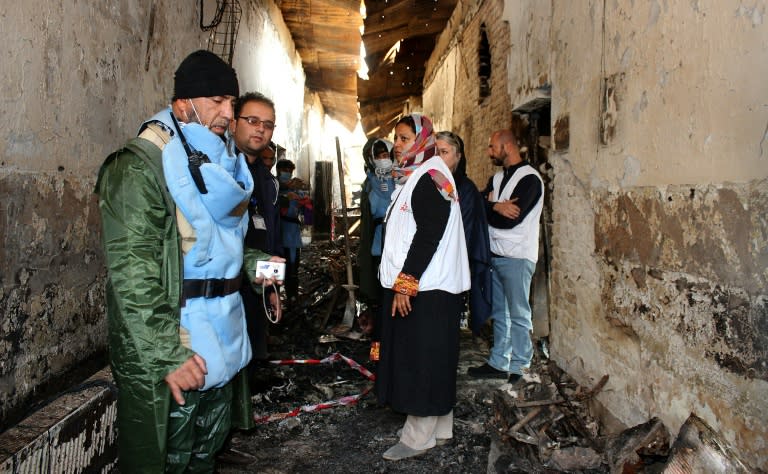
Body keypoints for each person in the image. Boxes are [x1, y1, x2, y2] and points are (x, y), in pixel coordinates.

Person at [96, 50, 282, 472]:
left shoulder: (221, 165)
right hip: (176, 347)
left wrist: (260, 270)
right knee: (168, 461)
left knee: (205, 454)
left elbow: (219, 246)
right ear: (183, 105)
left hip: (222, 341)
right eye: (217, 101)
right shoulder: (140, 168)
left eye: (231, 104)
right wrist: (167, 356)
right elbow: (134, 276)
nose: (227, 114)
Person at [376, 114, 470, 461]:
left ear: (422, 139)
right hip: (433, 287)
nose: (397, 145)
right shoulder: (422, 174)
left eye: (403, 138)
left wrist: (406, 282)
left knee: (420, 361)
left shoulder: (429, 177)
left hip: (427, 288)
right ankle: (441, 426)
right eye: (396, 138)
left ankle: (417, 437)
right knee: (435, 357)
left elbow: (429, 232)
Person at [467, 129, 544, 384]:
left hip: (518, 256)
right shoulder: (498, 178)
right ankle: (500, 362)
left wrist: (491, 209)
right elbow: (479, 205)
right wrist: (495, 206)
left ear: (507, 146)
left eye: (492, 147)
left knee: (519, 313)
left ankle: (521, 367)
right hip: (495, 254)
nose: (489, 152)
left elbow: (512, 220)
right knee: (500, 312)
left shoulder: (530, 179)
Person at [232, 92, 283, 363]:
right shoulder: (222, 172)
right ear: (233, 123)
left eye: (268, 124)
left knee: (253, 355)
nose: (260, 128)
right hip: (227, 289)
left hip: (259, 285)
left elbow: (272, 237)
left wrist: (272, 290)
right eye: (252, 120)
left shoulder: (267, 181)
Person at [434, 131, 492, 334]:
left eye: (444, 152)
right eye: (435, 152)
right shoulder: (431, 183)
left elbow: (465, 233)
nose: (438, 158)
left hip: (451, 264)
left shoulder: (466, 190)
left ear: (458, 156)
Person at [357, 138, 395, 363]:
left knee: (394, 301)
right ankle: (378, 352)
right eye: (379, 155)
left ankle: (393, 349)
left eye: (386, 154)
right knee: (379, 302)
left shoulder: (401, 178)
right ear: (370, 158)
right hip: (379, 249)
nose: (384, 159)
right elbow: (376, 211)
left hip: (397, 250)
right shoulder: (371, 182)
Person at [275, 158, 313, 301]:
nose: (288, 174)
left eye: (290, 171)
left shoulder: (295, 190)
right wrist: (286, 194)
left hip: (293, 234)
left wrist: (306, 202)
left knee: (293, 267)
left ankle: (292, 296)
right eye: (285, 171)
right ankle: (276, 295)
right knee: (278, 265)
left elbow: (306, 212)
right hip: (279, 232)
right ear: (278, 171)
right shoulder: (274, 186)